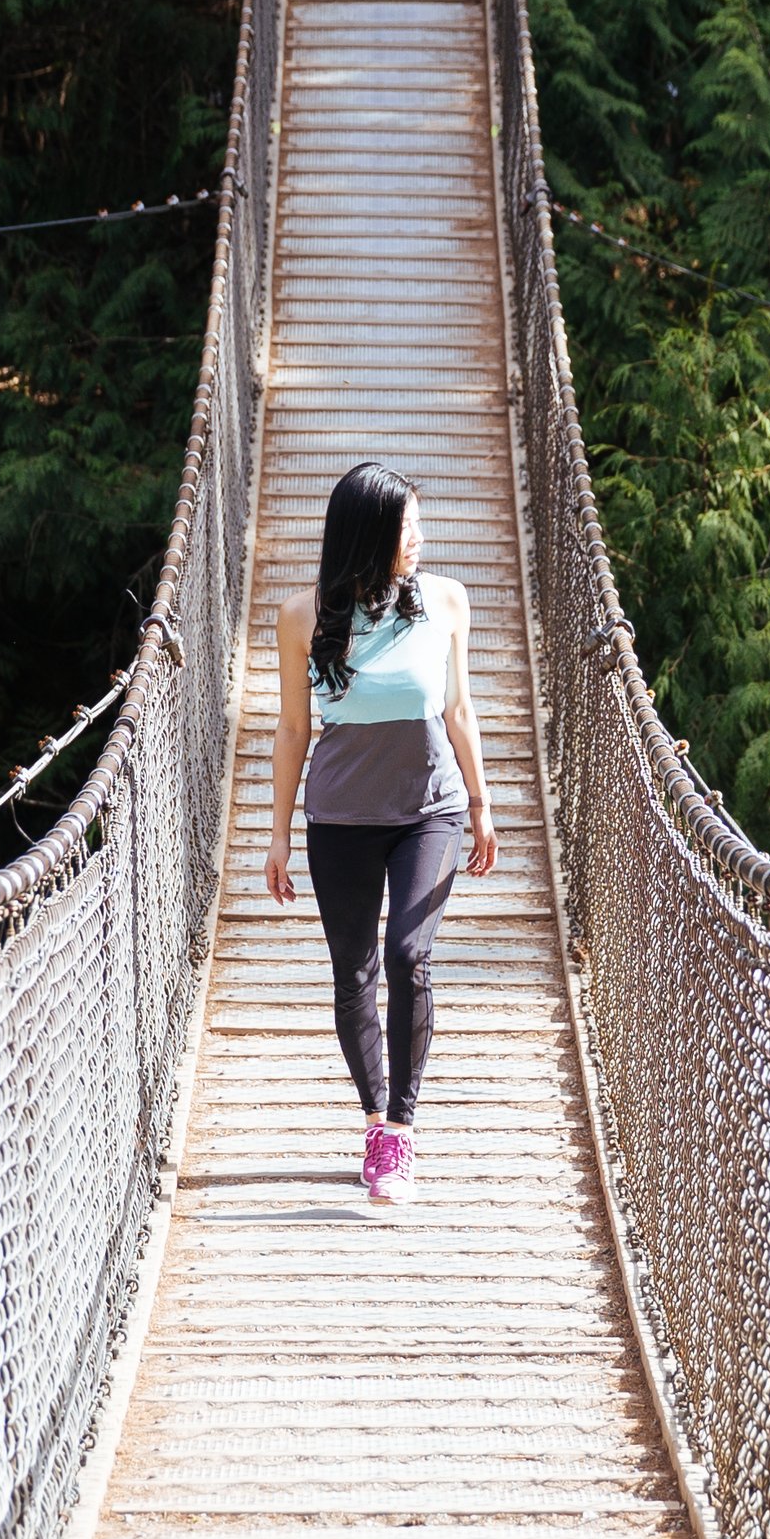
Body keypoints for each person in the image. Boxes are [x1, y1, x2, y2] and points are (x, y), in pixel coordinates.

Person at [264, 465, 499, 1206]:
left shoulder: (448, 602)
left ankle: (402, 1126)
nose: (420, 540)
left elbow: (459, 713)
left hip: (431, 809)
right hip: (339, 818)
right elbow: (294, 729)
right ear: (369, 537)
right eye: (407, 529)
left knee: (408, 953)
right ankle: (374, 1120)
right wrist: (276, 835)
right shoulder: (302, 617)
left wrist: (484, 805)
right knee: (354, 970)